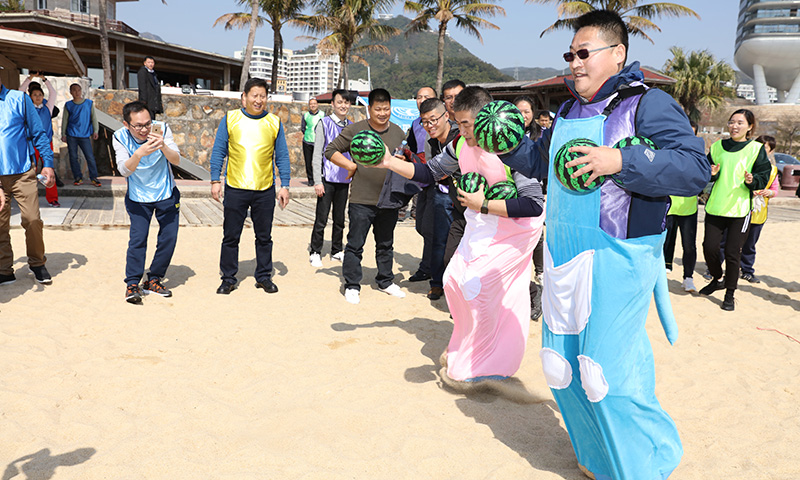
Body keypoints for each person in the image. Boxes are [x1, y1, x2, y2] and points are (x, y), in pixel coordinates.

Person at [497, 10, 709, 479]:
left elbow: (695, 169)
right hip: (563, 253)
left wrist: (622, 160)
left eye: (583, 53)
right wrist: (509, 145)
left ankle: (646, 463)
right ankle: (597, 458)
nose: (574, 63)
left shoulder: (648, 104)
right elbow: (542, 163)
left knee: (605, 372)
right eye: (570, 54)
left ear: (618, 54)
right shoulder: (568, 110)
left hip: (619, 254)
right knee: (560, 367)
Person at [374, 86, 545, 386]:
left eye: (466, 124)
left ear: (485, 118)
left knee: (476, 287)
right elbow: (429, 173)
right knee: (453, 280)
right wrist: (388, 162)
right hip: (482, 223)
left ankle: (491, 362)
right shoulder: (460, 145)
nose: (461, 130)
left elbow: (533, 204)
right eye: (459, 123)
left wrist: (484, 204)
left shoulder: (512, 148)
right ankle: (469, 347)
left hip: (515, 229)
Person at [324, 88, 407, 305]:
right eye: (378, 109)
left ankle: (385, 280)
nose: (382, 113)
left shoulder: (398, 132)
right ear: (369, 109)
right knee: (355, 244)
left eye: (386, 109)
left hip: (388, 198)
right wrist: (350, 165)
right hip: (361, 199)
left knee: (386, 244)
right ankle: (352, 284)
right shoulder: (356, 129)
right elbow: (330, 150)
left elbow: (405, 159)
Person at [210, 78, 291, 295]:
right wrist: (215, 180)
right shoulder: (230, 119)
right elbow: (219, 151)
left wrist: (285, 185)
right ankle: (228, 278)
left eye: (262, 96)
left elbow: (282, 156)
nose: (258, 100)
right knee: (231, 236)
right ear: (244, 97)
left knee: (264, 237)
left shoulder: (274, 122)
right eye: (254, 95)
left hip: (264, 189)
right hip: (236, 187)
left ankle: (263, 276)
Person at [698, 109, 770, 310]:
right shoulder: (717, 146)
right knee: (709, 248)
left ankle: (729, 294)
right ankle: (717, 279)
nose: (734, 126)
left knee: (732, 252)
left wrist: (752, 180)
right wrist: (712, 174)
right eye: (731, 122)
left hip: (740, 210)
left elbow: (763, 175)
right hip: (716, 206)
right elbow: (707, 172)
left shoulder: (756, 149)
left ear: (750, 127)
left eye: (740, 123)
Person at [113, 101, 181, 304]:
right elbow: (123, 170)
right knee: (138, 239)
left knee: (169, 238)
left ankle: (154, 279)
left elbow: (176, 160)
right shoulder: (120, 136)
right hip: (138, 198)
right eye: (138, 126)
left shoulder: (162, 129)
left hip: (166, 193)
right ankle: (132, 283)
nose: (144, 129)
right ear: (127, 125)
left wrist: (163, 146)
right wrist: (138, 154)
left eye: (147, 124)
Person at [0, 75, 56, 286]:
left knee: (32, 220)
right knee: (0, 224)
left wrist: (47, 164)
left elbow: (39, 133)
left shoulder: (19, 99)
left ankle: (37, 263)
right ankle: (4, 269)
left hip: (22, 172)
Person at [415, 98, 460, 300]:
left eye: (433, 120)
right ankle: (437, 283)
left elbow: (439, 170)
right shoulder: (432, 140)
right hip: (442, 193)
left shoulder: (459, 137)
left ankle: (456, 286)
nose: (430, 125)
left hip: (465, 197)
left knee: (460, 243)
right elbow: (434, 170)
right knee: (438, 239)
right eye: (425, 122)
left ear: (446, 116)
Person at [309, 89, 352, 268]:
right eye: (339, 102)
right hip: (327, 178)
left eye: (346, 102)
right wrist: (318, 181)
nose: (343, 106)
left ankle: (336, 250)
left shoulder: (351, 126)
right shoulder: (324, 123)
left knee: (340, 218)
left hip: (344, 179)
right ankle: (315, 251)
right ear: (332, 104)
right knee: (322, 218)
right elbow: (317, 154)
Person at [663, 120, 702, 293]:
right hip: (669, 206)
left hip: (688, 208)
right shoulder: (668, 152)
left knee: (689, 245)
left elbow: (703, 179)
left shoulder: (698, 156)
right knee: (665, 242)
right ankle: (663, 271)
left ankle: (688, 278)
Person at [514, 95, 546, 292]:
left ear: (533, 113)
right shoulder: (507, 133)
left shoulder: (540, 135)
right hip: (512, 190)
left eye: (527, 111)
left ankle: (540, 270)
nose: (523, 115)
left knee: (537, 234)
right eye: (519, 111)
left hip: (535, 188)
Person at [740, 135, 780, 284]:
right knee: (729, 241)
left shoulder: (773, 170)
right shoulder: (745, 164)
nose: (761, 150)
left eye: (765, 147)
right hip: (740, 210)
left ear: (771, 151)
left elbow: (775, 190)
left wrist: (768, 192)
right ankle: (714, 268)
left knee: (750, 244)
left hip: (758, 213)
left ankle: (747, 270)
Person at [20, 73, 60, 207]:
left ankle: (53, 199)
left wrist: (44, 79)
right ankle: (30, 200)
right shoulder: (27, 108)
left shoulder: (48, 108)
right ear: (30, 96)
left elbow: (53, 93)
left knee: (49, 170)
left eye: (40, 95)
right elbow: (20, 91)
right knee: (31, 171)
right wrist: (30, 77)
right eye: (35, 95)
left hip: (46, 144)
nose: (38, 97)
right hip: (31, 144)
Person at [402, 86, 436, 222]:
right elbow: (412, 146)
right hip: (421, 167)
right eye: (419, 97)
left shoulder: (443, 121)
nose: (422, 100)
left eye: (426, 97)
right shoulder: (416, 123)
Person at [61, 83, 101, 187]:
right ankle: (77, 177)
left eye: (78, 90)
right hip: (71, 134)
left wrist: (96, 131)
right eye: (74, 90)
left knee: (90, 156)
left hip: (85, 134)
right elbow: (65, 120)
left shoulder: (88, 103)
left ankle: (94, 177)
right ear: (71, 92)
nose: (77, 92)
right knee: (73, 157)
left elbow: (94, 118)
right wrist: (63, 134)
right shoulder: (68, 105)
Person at [301, 97, 324, 185]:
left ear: (317, 105)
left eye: (314, 103)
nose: (313, 105)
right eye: (311, 104)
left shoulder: (322, 115)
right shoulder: (306, 115)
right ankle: (310, 179)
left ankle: (320, 178)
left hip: (319, 142)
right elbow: (303, 128)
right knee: (308, 162)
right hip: (307, 141)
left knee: (320, 161)